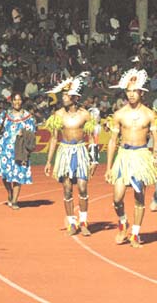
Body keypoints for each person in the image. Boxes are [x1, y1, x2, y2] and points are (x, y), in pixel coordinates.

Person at [104, 68, 157, 248]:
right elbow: (112, 142)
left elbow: (156, 137)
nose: (131, 94)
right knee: (117, 198)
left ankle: (135, 234)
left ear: (141, 92)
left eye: (134, 91)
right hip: (123, 157)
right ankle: (123, 222)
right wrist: (109, 167)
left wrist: (155, 156)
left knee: (139, 196)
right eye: (128, 91)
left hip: (141, 156)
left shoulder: (150, 114)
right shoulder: (119, 114)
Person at [44, 74, 98, 236]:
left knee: (82, 187)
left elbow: (92, 138)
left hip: (81, 151)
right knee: (67, 189)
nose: (63, 97)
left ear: (75, 97)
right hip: (65, 152)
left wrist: (94, 160)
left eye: (66, 95)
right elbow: (54, 139)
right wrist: (48, 161)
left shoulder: (85, 115)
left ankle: (83, 221)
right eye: (63, 94)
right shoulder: (58, 115)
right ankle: (71, 223)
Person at [0, 92, 36, 210]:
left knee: (17, 175)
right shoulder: (5, 114)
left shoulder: (28, 116)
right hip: (5, 149)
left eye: (19, 100)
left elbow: (33, 133)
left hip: (19, 149)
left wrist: (24, 134)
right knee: (5, 175)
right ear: (12, 101)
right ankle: (9, 191)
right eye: (15, 100)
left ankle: (14, 200)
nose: (17, 102)